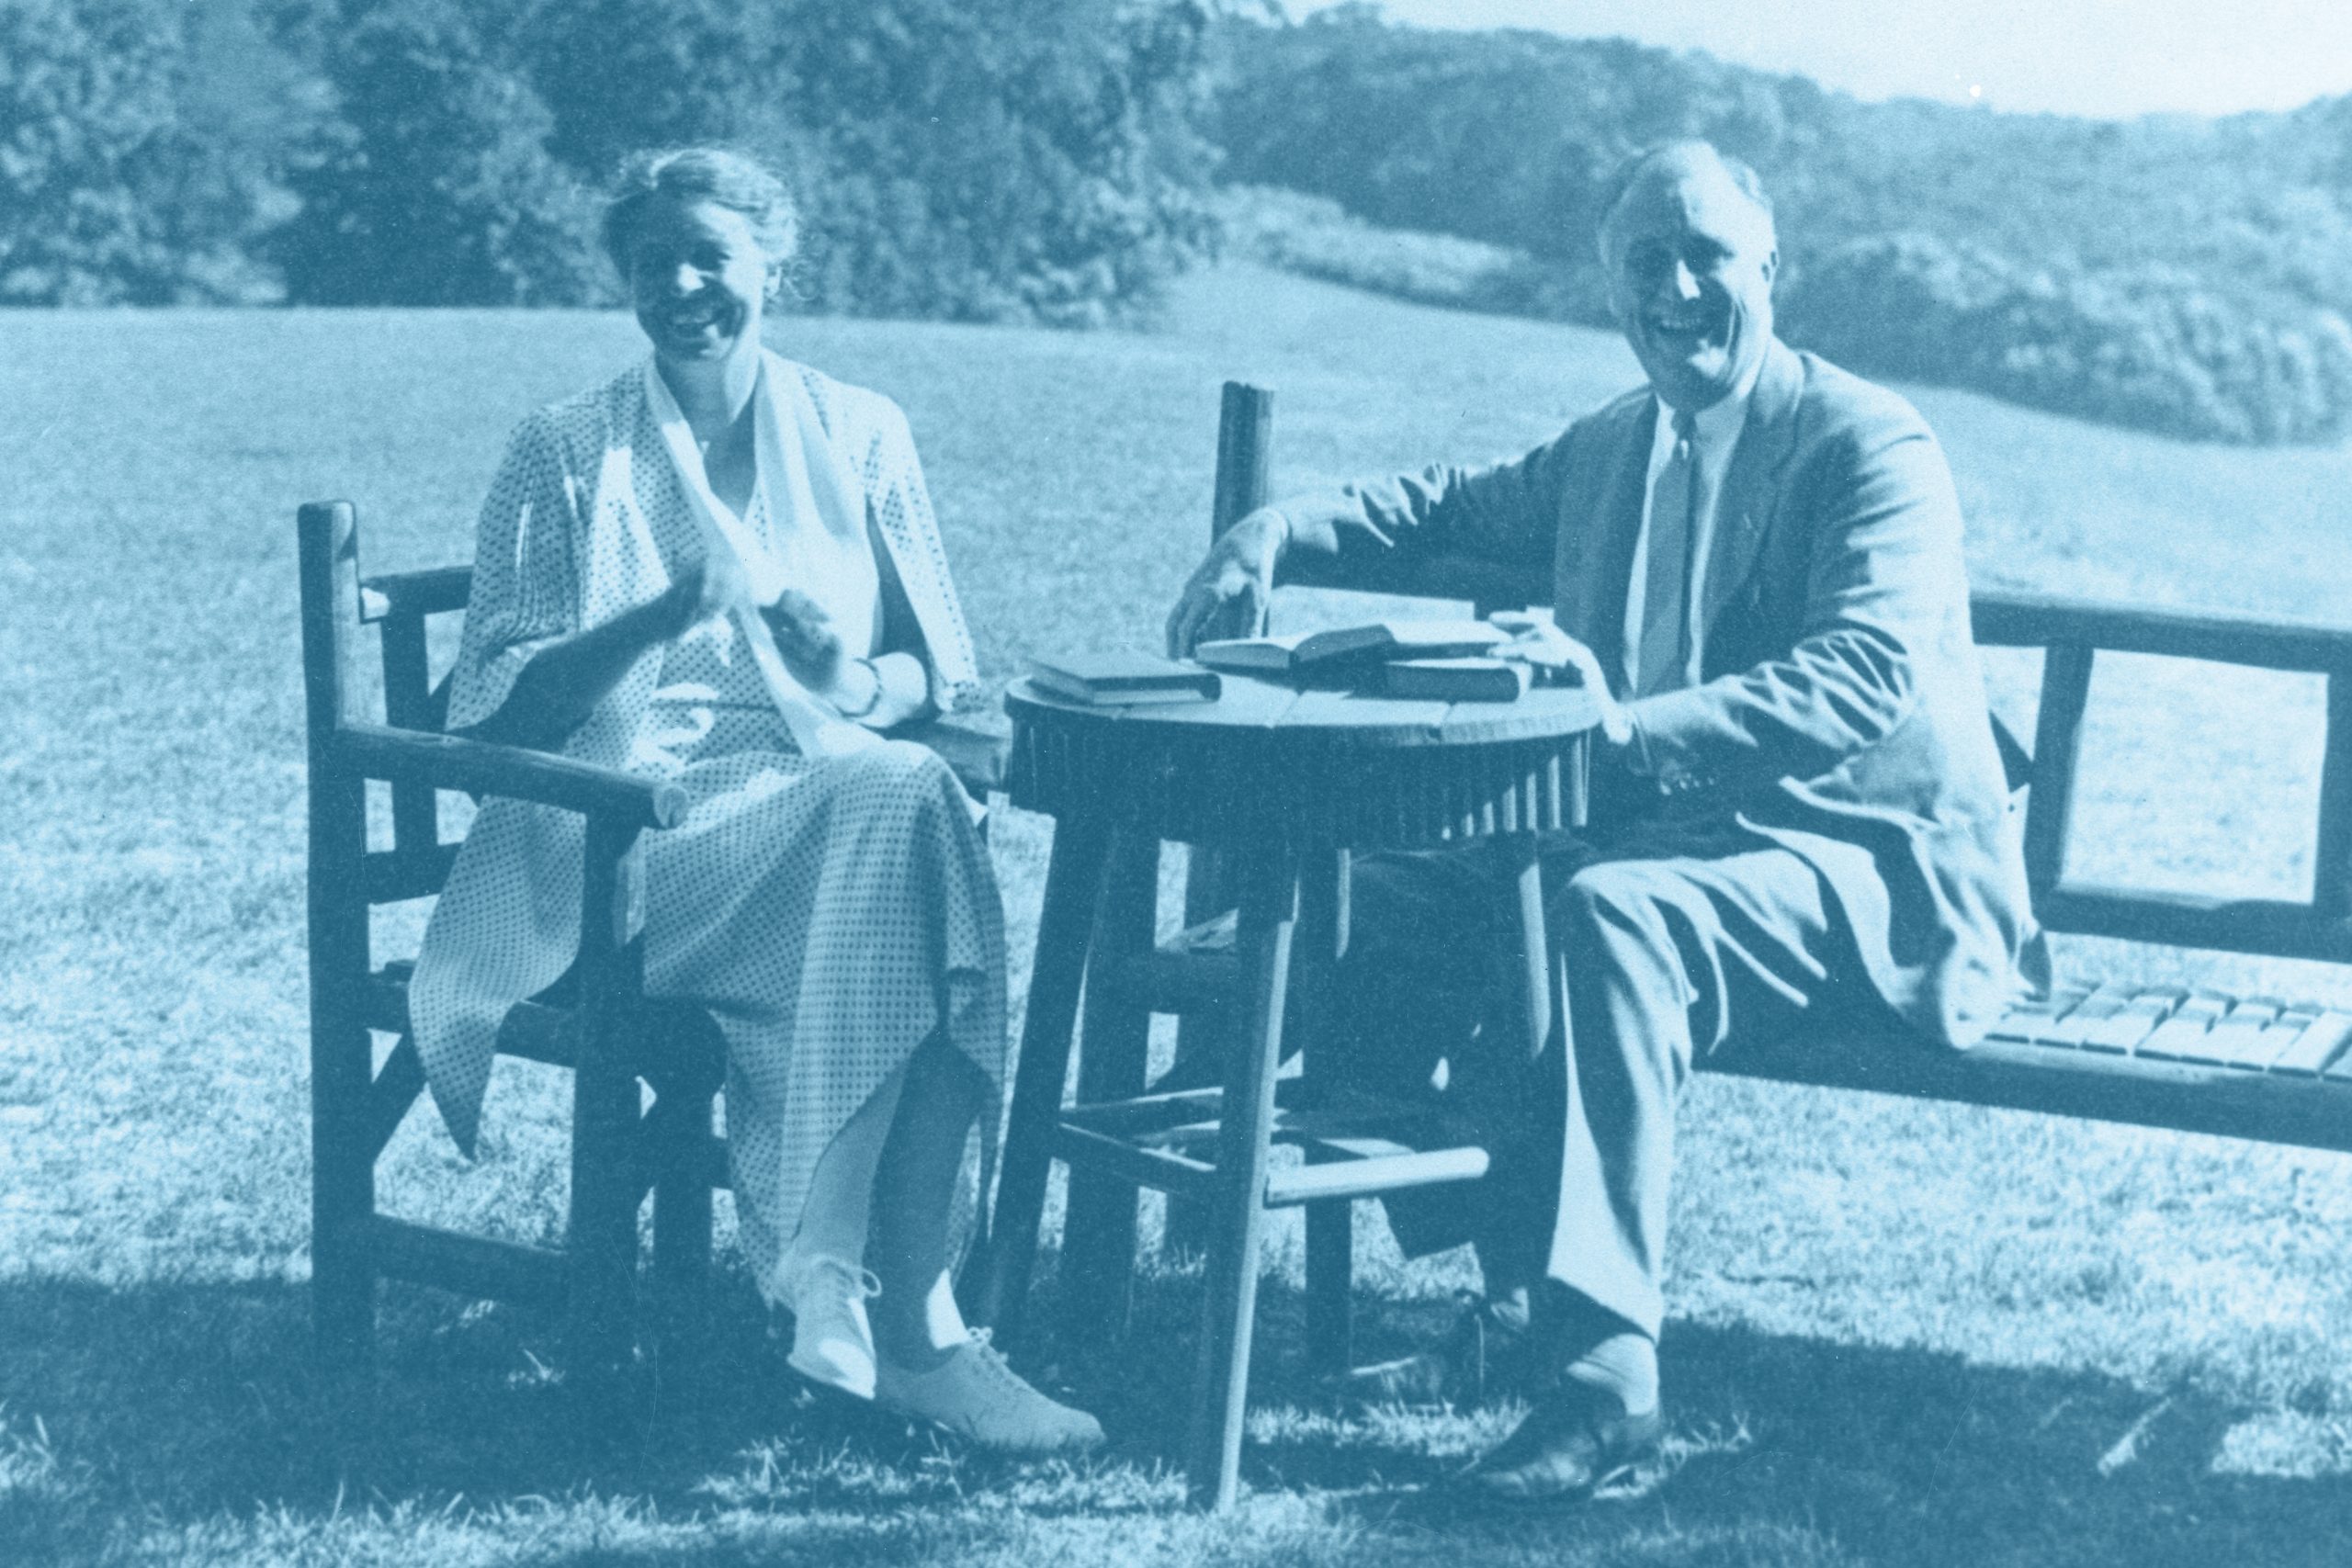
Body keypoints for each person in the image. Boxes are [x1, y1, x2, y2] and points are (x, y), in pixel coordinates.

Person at [1166, 141, 2032, 1499]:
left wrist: (1616, 741)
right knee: (1392, 883)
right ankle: (1502, 1271)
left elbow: (1857, 679)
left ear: (1770, 271)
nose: (1679, 288)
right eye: (1647, 265)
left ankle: (1602, 1377)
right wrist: (1278, 532)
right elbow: (1446, 508)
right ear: (1614, 291)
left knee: (1605, 912)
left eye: (1708, 259)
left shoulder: (1869, 444)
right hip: (1674, 838)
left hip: (1858, 861)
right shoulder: (1620, 444)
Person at [407, 145, 1100, 1453]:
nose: (681, 285)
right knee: (912, 833)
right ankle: (908, 1327)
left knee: (902, 802)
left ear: (774, 265)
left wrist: (845, 668)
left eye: (709, 257)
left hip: (818, 813)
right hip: (619, 845)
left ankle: (854, 1292)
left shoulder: (862, 431)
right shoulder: (562, 450)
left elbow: (934, 675)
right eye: (651, 262)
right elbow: (495, 708)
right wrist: (662, 612)